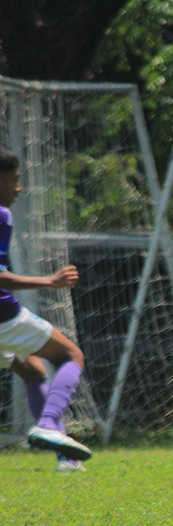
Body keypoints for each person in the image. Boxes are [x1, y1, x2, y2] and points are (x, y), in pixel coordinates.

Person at [0, 147, 91, 470]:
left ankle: (67, 460)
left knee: (32, 370)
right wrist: (49, 281)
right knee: (70, 355)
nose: (19, 188)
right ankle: (49, 423)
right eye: (14, 179)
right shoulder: (1, 215)